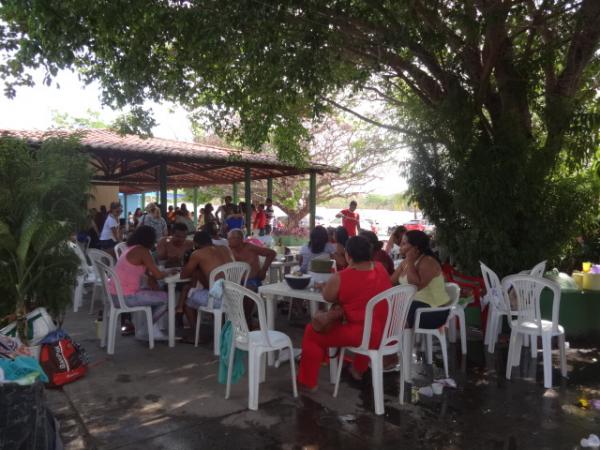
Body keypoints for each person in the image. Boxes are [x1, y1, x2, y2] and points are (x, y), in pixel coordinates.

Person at [297, 236, 392, 391]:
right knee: (368, 320)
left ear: (348, 255)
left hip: (363, 334)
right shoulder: (380, 268)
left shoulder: (341, 277)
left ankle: (308, 382)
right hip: (386, 329)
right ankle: (357, 369)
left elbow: (328, 296)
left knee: (311, 332)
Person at [109, 225, 172, 339]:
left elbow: (149, 273)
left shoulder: (131, 248)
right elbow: (157, 275)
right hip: (126, 297)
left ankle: (151, 329)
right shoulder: (143, 251)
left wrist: (154, 282)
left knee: (156, 292)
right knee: (167, 299)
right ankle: (145, 330)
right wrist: (170, 272)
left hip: (115, 295)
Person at [390, 230, 450, 329]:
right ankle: (397, 340)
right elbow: (391, 281)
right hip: (415, 306)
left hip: (434, 311)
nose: (400, 245)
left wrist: (410, 261)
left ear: (415, 247)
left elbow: (414, 286)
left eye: (404, 243)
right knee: (390, 307)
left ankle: (402, 341)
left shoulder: (428, 262)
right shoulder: (405, 262)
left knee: (400, 312)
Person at [181, 230, 235, 332]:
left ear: (195, 243)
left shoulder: (198, 253)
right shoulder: (225, 248)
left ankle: (195, 334)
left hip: (217, 299)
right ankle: (220, 329)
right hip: (234, 295)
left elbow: (184, 275)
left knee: (187, 300)